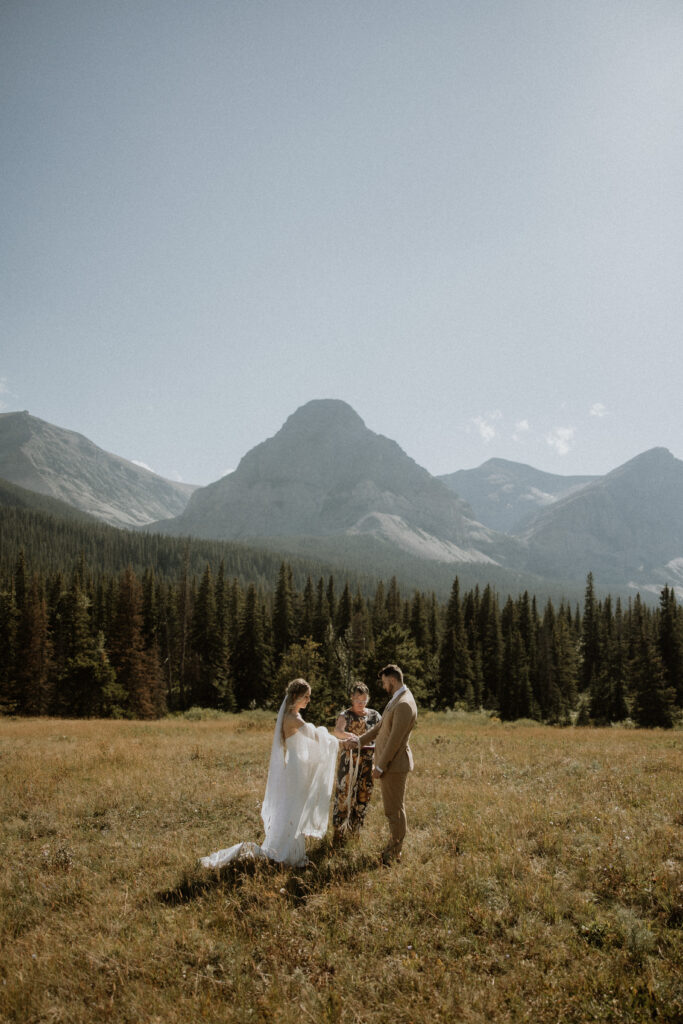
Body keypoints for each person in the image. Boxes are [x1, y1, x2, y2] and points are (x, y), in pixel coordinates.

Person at [199, 679, 355, 869]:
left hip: (296, 768)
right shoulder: (294, 719)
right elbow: (316, 738)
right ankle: (287, 854)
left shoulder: (291, 716)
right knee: (294, 810)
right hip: (297, 771)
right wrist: (341, 743)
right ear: (296, 696)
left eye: (309, 696)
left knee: (292, 809)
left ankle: (289, 852)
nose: (308, 700)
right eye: (306, 696)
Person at [351, 664, 417, 865]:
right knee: (392, 809)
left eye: (384, 681)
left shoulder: (405, 703)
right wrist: (358, 741)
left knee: (395, 810)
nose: (382, 685)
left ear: (393, 680)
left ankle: (394, 854)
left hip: (394, 766)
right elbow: (380, 728)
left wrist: (380, 766)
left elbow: (395, 740)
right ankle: (393, 849)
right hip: (390, 764)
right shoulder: (396, 699)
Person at [331, 682, 382, 842]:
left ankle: (355, 834)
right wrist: (349, 736)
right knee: (344, 794)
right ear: (352, 699)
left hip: (368, 761)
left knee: (363, 795)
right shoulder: (345, 714)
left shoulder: (375, 715)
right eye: (357, 700)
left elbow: (382, 735)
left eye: (364, 700)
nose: (361, 704)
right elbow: (337, 731)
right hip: (349, 762)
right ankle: (338, 834)